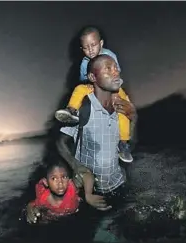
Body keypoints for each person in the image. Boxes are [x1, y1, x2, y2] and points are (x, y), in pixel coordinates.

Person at [56, 54, 137, 211]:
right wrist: (76, 166)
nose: (115, 72)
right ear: (93, 76)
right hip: (90, 191)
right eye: (108, 69)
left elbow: (132, 144)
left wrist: (134, 117)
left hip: (119, 184)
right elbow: (60, 142)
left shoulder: (123, 107)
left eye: (116, 68)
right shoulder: (84, 107)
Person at [55, 26, 134, 163]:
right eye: (86, 47)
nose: (90, 50)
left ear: (101, 43)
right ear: (82, 49)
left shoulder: (110, 56)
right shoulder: (84, 63)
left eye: (93, 45)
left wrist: (115, 92)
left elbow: (116, 74)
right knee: (79, 89)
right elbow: (84, 79)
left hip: (113, 86)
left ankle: (123, 143)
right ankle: (71, 110)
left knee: (123, 107)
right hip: (93, 85)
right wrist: (89, 86)